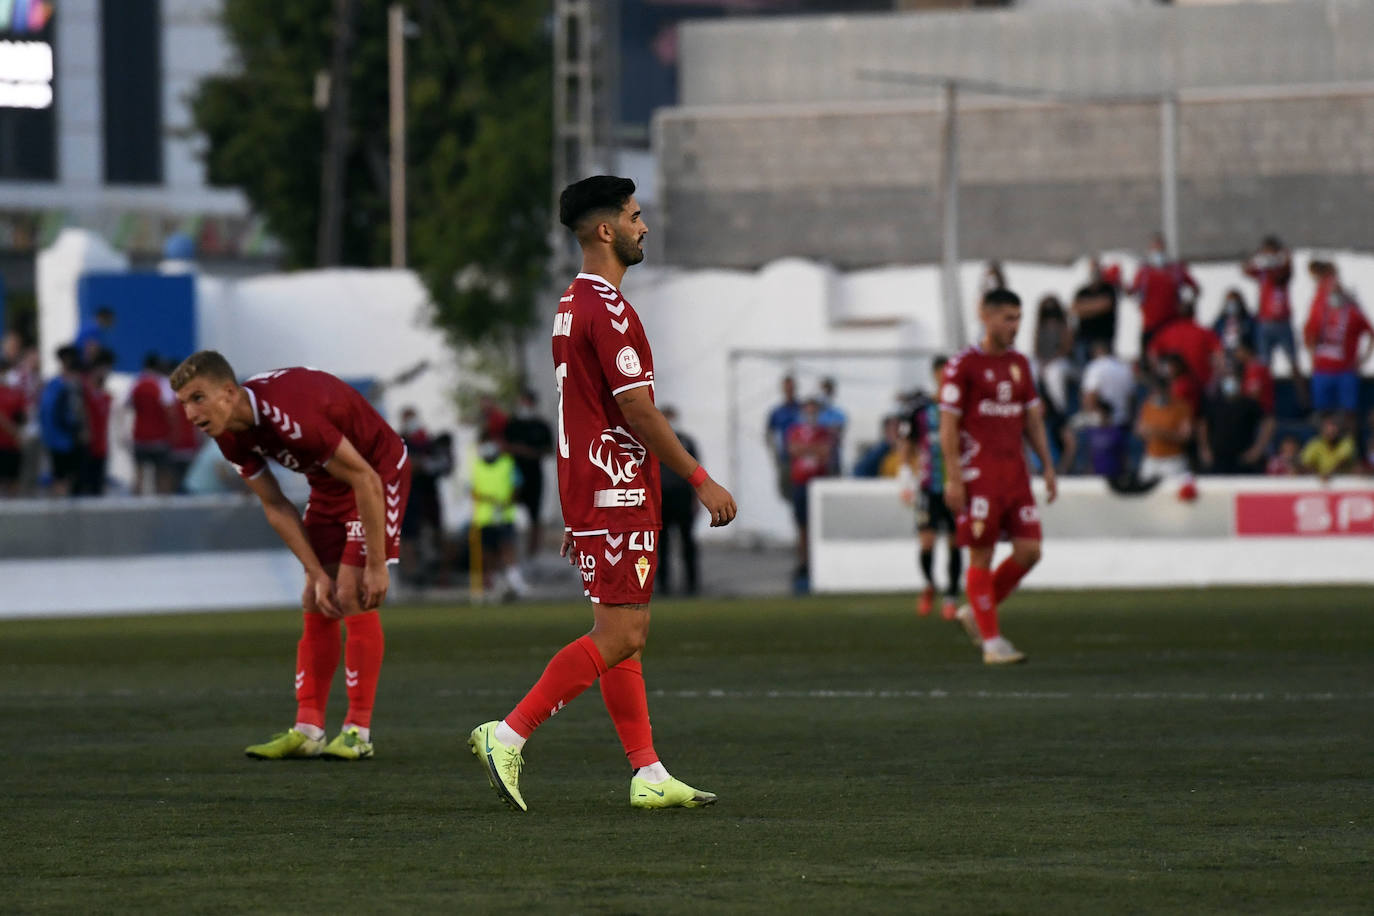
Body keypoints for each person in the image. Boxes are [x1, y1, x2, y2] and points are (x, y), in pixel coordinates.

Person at [467, 175, 736, 813]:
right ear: (607, 229)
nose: (645, 227)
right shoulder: (609, 309)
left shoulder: (569, 304)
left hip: (595, 486)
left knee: (624, 632)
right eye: (636, 217)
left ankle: (647, 771)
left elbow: (581, 409)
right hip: (615, 487)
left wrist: (575, 500)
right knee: (621, 633)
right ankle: (507, 734)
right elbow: (637, 409)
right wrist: (699, 479)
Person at [170, 351, 412, 762]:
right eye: (184, 404)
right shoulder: (227, 432)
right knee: (315, 597)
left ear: (229, 393)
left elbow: (365, 478)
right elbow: (275, 505)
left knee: (352, 593)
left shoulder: (289, 417)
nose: (191, 414)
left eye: (197, 398)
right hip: (330, 483)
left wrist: (376, 563)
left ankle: (358, 731)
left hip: (377, 473)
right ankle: (308, 730)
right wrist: (315, 572)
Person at [942, 288, 1058, 664]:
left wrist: (1048, 465)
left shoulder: (1020, 364)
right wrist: (954, 477)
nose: (1015, 326)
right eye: (1008, 318)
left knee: (1030, 551)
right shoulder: (963, 365)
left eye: (1018, 318)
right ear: (985, 316)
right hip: (980, 476)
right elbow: (948, 426)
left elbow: (1033, 420)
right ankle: (992, 644)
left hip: (1016, 474)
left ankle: (975, 611)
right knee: (982, 555)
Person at [897, 357, 961, 620]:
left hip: (955, 487)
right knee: (926, 541)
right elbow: (907, 444)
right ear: (935, 375)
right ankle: (929, 585)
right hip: (927, 486)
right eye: (942, 373)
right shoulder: (920, 410)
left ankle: (951, 596)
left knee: (956, 543)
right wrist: (904, 476)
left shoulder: (961, 407)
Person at [1303, 262, 1372, 419]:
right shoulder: (1319, 309)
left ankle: (1350, 442)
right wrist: (1312, 356)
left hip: (1345, 371)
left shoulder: (1353, 313)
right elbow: (1309, 335)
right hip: (1322, 371)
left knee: (1349, 413)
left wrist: (1364, 358)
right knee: (1323, 414)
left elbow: (1370, 332)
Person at [397, 407, 452, 589]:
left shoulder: (427, 441)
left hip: (428, 494)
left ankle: (442, 574)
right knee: (408, 535)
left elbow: (442, 464)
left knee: (437, 532)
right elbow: (406, 464)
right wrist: (419, 463)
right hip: (408, 494)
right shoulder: (398, 441)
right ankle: (411, 574)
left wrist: (424, 464)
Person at [469, 432, 525, 599]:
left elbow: (517, 485)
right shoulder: (477, 466)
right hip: (485, 518)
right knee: (488, 554)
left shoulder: (507, 463)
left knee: (507, 548)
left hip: (504, 515)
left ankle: (516, 582)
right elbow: (473, 491)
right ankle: (495, 584)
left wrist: (508, 502)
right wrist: (488, 500)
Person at [786, 397, 834, 592]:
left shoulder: (823, 432)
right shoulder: (795, 430)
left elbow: (825, 453)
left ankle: (816, 563)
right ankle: (804, 563)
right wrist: (812, 450)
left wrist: (806, 449)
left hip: (817, 486)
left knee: (817, 526)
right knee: (802, 526)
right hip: (800, 483)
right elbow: (793, 450)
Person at [503, 389, 554, 559]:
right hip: (513, 476)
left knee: (535, 516)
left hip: (534, 476)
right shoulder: (512, 424)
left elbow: (549, 449)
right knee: (509, 515)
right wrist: (515, 450)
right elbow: (504, 446)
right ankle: (510, 555)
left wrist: (529, 452)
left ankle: (533, 553)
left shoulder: (541, 426)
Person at [1129, 232, 1199, 353]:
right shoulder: (1144, 272)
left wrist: (1188, 304)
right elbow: (1133, 291)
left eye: (1160, 248)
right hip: (1150, 324)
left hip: (1171, 324)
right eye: (1155, 248)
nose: (1158, 251)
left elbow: (1195, 288)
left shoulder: (1175, 270)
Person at [657, 405, 701, 596]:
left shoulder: (687, 442)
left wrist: (697, 498)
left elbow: (697, 472)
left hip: (683, 497)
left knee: (687, 542)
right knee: (662, 545)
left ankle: (692, 583)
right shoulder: (653, 441)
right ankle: (663, 584)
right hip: (662, 499)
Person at [1197, 370, 1273, 475]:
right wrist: (1205, 449)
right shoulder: (1213, 402)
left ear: (1240, 383)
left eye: (1233, 380)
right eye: (1227, 379)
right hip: (1217, 458)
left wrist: (1257, 449)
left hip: (1243, 459)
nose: (1230, 383)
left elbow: (1269, 422)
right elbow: (1202, 425)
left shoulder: (1249, 403)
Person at [1244, 236, 1300, 376]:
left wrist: (1281, 255)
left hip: (1283, 322)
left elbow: (1289, 267)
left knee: (1293, 361)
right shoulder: (1263, 272)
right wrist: (1258, 256)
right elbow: (1245, 269)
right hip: (1265, 321)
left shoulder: (1282, 271)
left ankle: (1303, 396)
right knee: (1264, 363)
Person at [38, 345, 89, 497]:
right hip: (64, 439)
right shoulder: (61, 386)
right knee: (63, 478)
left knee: (67, 477)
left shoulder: (57, 385)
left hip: (64, 439)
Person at [128, 352, 177, 494]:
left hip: (140, 437)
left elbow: (129, 405)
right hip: (159, 438)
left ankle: (135, 506)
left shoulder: (135, 383)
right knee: (162, 475)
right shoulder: (162, 384)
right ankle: (162, 508)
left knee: (139, 475)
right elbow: (170, 411)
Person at [1134, 371, 1193, 483]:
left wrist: (1159, 433)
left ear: (1168, 389)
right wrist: (1142, 432)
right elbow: (1139, 431)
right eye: (1155, 390)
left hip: (1173, 461)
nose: (1158, 393)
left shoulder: (1182, 407)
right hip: (1151, 460)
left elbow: (1185, 437)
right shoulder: (1146, 406)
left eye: (1161, 389)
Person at [1070, 256, 1121, 364]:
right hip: (1083, 338)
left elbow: (1105, 305)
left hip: (1103, 339)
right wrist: (1095, 306)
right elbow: (1074, 309)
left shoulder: (1109, 289)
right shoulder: (1082, 291)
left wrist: (1085, 308)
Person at [77, 348, 114, 496]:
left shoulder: (105, 395)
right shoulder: (83, 390)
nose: (107, 373)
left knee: (97, 489)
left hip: (101, 448)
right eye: (106, 369)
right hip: (85, 447)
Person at [765, 375, 801, 501]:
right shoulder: (777, 412)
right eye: (787, 388)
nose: (789, 390)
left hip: (801, 460)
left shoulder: (801, 408)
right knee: (786, 493)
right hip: (785, 460)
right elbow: (769, 433)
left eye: (791, 388)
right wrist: (775, 454)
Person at [1299, 413, 1357, 481]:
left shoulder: (1346, 442)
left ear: (1339, 429)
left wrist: (1330, 473)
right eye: (1327, 427)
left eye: (1333, 426)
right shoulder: (1315, 443)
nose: (1331, 430)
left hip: (1343, 481)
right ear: (1321, 430)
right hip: (1320, 482)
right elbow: (1304, 462)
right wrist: (1319, 474)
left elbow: (1343, 461)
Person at [0, 362, 27, 497]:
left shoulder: (16, 393)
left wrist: (18, 432)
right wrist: (14, 431)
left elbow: (23, 415)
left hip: (13, 445)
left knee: (14, 481)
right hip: (4, 442)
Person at [1212, 289, 1257, 365]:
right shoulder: (1220, 322)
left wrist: (1249, 351)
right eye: (1230, 302)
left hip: (1242, 352)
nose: (1232, 305)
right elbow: (1212, 338)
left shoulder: (1249, 321)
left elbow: (1256, 340)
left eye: (1235, 302)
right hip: (1224, 353)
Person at [817, 377, 847, 474]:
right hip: (817, 455)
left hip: (833, 454)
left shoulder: (838, 412)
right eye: (824, 389)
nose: (826, 393)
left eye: (828, 389)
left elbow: (839, 430)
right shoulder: (815, 412)